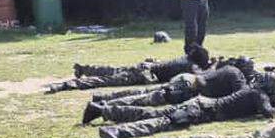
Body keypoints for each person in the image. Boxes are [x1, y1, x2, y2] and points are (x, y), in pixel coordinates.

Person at [97, 75, 275, 138]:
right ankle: (117, 130)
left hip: (201, 104)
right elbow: (269, 113)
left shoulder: (250, 89)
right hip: (203, 110)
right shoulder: (260, 95)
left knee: (154, 113)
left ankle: (107, 111)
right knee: (163, 121)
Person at [81, 64, 247, 124]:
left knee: (144, 95)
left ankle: (104, 102)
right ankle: (103, 108)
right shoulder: (237, 75)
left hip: (186, 80)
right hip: (188, 89)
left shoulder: (227, 69)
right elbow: (241, 94)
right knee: (149, 103)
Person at [47, 45, 211, 93]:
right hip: (146, 74)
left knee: (113, 71)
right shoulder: (191, 66)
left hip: (146, 66)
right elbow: (203, 76)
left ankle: (84, 69)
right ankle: (64, 85)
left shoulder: (184, 59)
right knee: (108, 80)